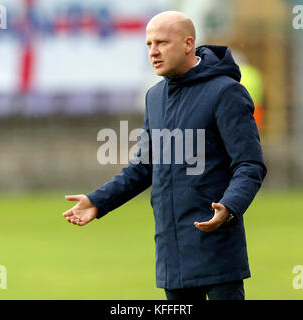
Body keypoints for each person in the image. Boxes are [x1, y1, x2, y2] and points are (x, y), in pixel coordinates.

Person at [62, 11, 267, 300]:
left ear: (187, 44)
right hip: (172, 255)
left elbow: (250, 164)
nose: (153, 52)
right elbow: (143, 167)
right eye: (148, 44)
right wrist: (98, 200)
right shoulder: (154, 97)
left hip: (217, 247)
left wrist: (229, 206)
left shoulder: (225, 92)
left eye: (161, 42)